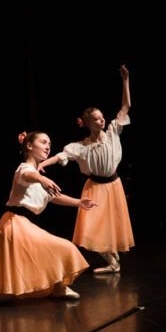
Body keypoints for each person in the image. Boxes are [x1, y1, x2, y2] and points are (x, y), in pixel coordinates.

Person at [0, 131, 96, 311]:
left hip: (24, 226)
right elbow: (28, 176)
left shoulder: (37, 175)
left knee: (12, 287)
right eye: (43, 142)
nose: (48, 147)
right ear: (29, 146)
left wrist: (79, 202)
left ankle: (56, 287)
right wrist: (42, 178)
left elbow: (54, 196)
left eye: (50, 144)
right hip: (13, 225)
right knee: (62, 248)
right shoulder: (24, 169)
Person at [38, 64, 134, 274]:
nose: (102, 120)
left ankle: (113, 261)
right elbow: (60, 156)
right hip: (95, 187)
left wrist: (125, 81)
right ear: (89, 123)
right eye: (97, 119)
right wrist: (40, 165)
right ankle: (112, 261)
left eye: (102, 117)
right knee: (91, 227)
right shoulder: (82, 147)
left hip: (114, 185)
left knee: (111, 225)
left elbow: (125, 107)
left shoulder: (112, 133)